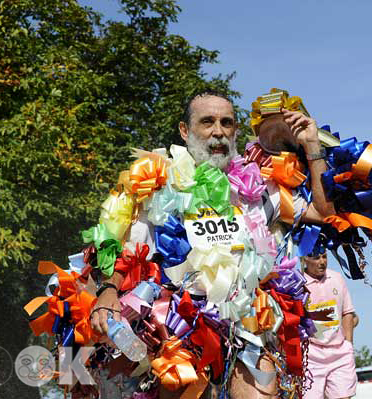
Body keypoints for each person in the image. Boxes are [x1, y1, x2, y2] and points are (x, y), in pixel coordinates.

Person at [90, 90, 335, 399]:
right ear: (185, 131)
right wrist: (108, 291)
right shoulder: (159, 184)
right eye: (207, 122)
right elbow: (128, 251)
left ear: (235, 131)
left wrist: (312, 144)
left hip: (247, 324)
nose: (218, 131)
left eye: (226, 122)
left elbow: (324, 213)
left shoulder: (258, 185)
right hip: (179, 329)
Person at [302, 252, 357, 399]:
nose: (322, 262)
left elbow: (348, 313)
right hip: (311, 356)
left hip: (340, 353)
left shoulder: (337, 278)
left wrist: (348, 344)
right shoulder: (296, 283)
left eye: (324, 256)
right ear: (305, 259)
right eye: (316, 258)